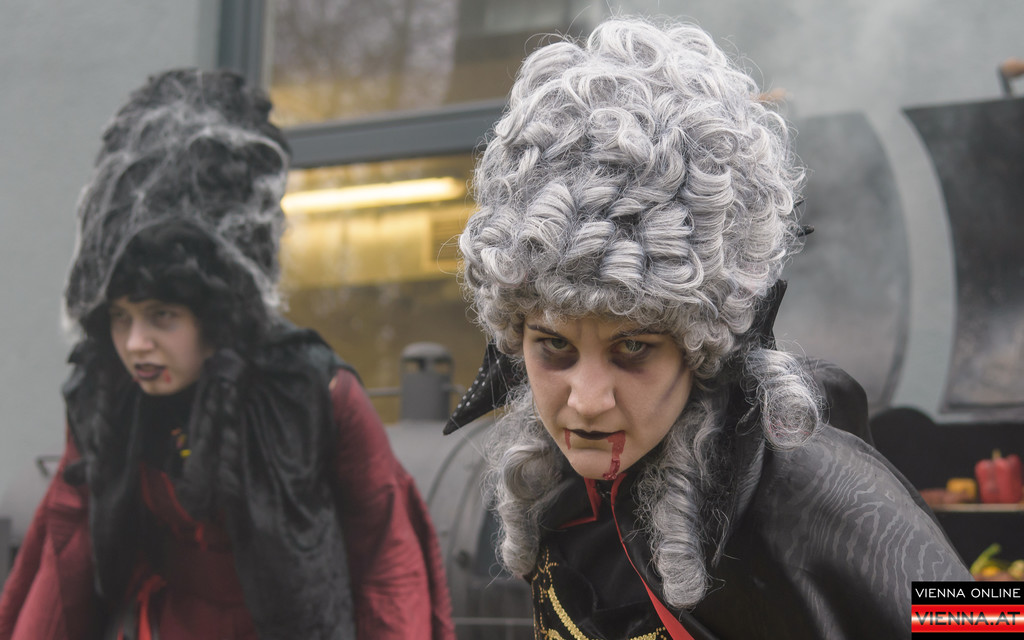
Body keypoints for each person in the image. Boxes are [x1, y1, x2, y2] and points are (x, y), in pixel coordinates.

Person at [447, 17, 971, 640]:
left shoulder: (812, 488)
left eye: (632, 347)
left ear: (704, 345)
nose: (586, 402)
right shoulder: (556, 483)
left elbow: (984, 621)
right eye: (554, 346)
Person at [0, 69, 454, 640]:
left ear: (215, 312)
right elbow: (66, 552)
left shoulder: (313, 391)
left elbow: (388, 562)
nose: (136, 342)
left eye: (162, 316)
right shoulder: (107, 392)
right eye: (120, 317)